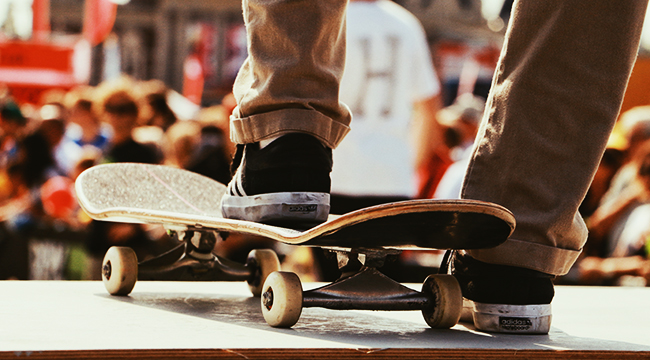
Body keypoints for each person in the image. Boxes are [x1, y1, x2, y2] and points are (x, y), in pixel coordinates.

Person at [223, 0, 648, 334]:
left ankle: (283, 134)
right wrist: (416, 166)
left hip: (328, 165)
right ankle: (517, 248)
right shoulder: (404, 24)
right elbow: (426, 107)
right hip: (390, 172)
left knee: (313, 233)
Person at [330, 0, 444, 213]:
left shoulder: (329, 21)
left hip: (334, 174)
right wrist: (410, 168)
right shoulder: (406, 24)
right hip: (392, 178)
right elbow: (428, 108)